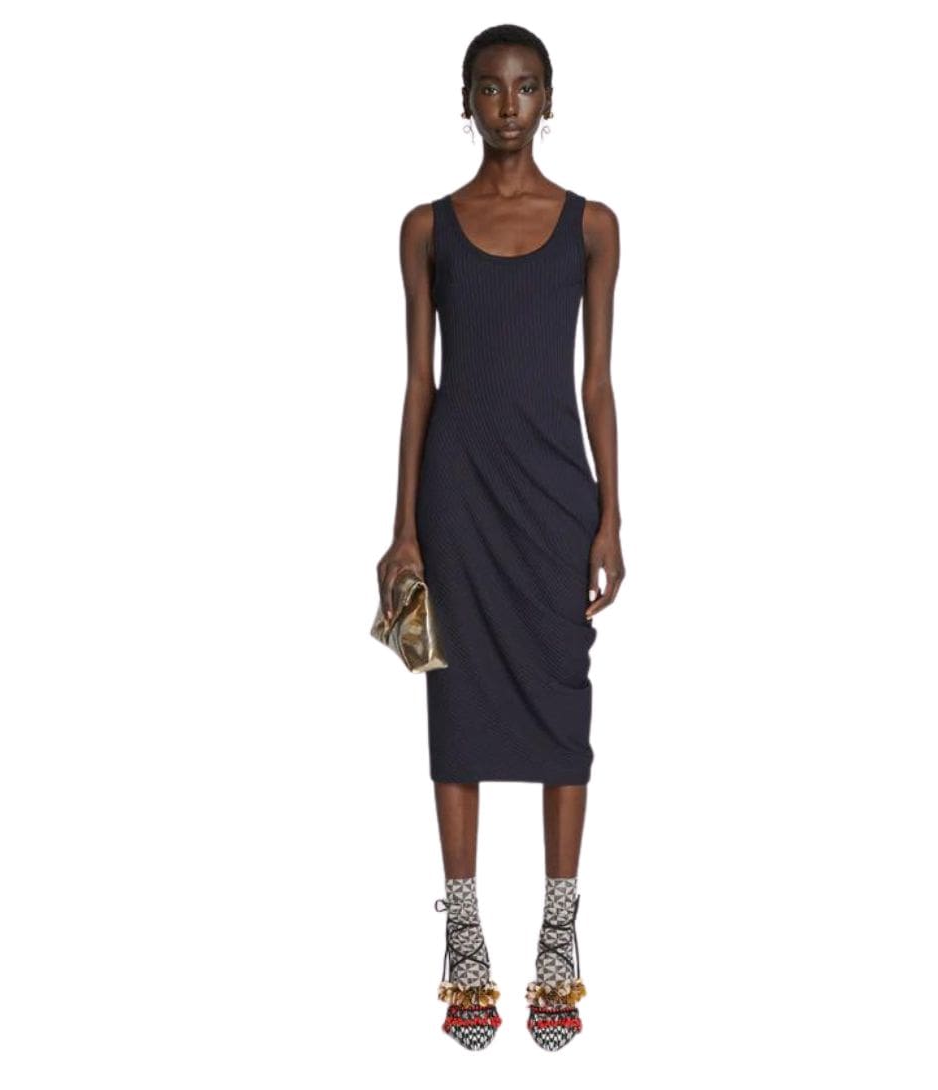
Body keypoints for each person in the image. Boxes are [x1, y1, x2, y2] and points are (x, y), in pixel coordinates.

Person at [376, 23, 625, 1052]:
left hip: (556, 495)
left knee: (564, 699)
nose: (508, 105)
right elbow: (418, 382)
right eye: (489, 88)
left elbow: (596, 380)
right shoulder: (425, 228)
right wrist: (402, 530)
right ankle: (465, 937)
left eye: (525, 87)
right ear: (466, 100)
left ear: (549, 99)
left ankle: (558, 937)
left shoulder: (593, 225)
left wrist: (611, 512)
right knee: (458, 701)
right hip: (457, 499)